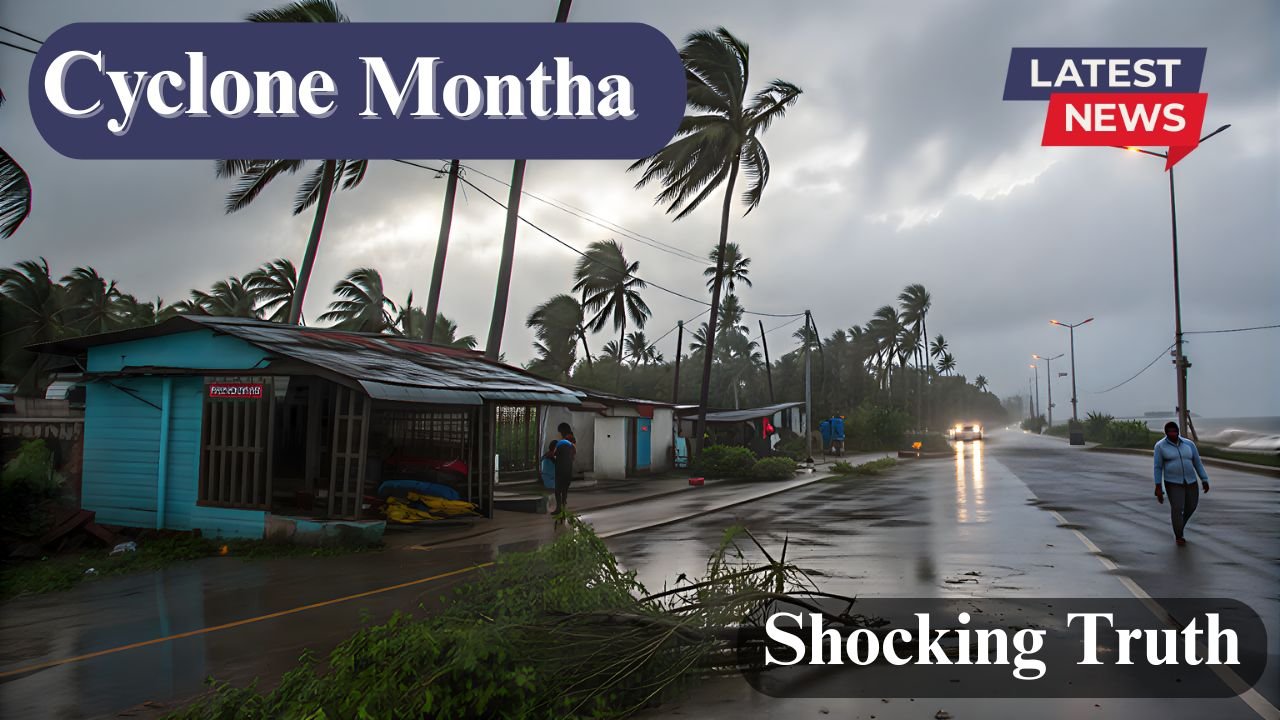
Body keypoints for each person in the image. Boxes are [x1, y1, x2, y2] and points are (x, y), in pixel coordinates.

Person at [1153, 421, 1210, 545]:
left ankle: (1178, 523)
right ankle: (1179, 535)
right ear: (1166, 433)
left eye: (1175, 431)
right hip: (1173, 482)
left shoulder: (1189, 444)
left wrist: (1204, 479)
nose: (1173, 434)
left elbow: (1197, 463)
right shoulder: (1160, 446)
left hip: (1191, 481)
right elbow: (1158, 467)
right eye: (1170, 432)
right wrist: (1158, 487)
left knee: (1192, 506)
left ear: (1178, 431)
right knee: (1177, 508)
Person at [551, 422, 576, 518]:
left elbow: (556, 454)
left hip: (561, 468)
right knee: (565, 490)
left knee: (558, 490)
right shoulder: (572, 440)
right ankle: (563, 509)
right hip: (568, 468)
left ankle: (559, 509)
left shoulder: (563, 443)